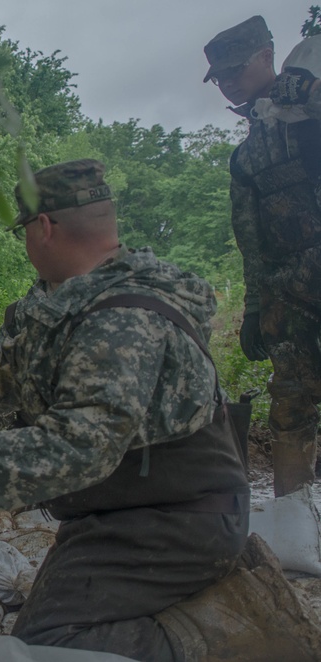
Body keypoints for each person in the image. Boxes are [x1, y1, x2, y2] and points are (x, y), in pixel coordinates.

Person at [0, 160, 321, 660]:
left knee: (51, 641)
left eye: (24, 233)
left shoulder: (122, 318)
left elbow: (77, 446)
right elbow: (13, 366)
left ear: (43, 228)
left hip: (173, 520)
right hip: (127, 509)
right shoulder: (88, 299)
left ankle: (227, 632)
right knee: (40, 620)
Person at [203, 16, 321, 498]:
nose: (229, 82)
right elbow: (251, 241)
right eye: (221, 76)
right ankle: (299, 523)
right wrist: (254, 308)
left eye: (237, 70)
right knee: (291, 407)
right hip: (290, 300)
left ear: (268, 56)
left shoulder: (310, 110)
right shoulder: (246, 157)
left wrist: (308, 95)